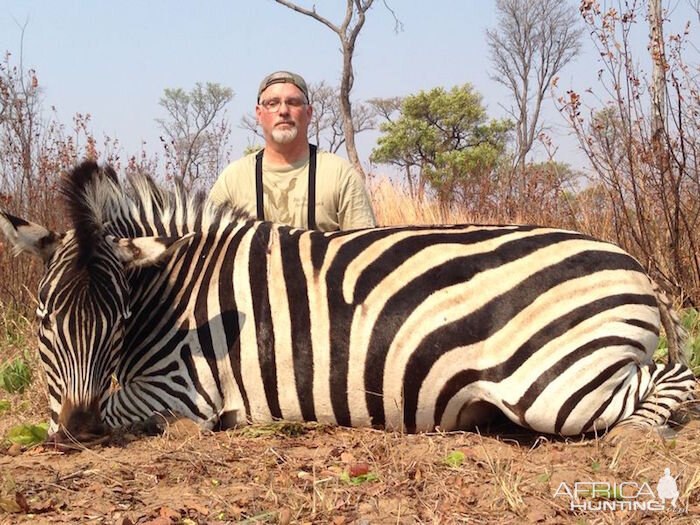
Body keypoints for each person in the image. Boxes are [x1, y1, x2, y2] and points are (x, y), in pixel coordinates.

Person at [209, 70, 376, 232]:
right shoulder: (232, 180)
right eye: (272, 103)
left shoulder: (341, 175)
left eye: (293, 102)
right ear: (259, 114)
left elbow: (366, 251)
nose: (283, 111)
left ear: (309, 113)